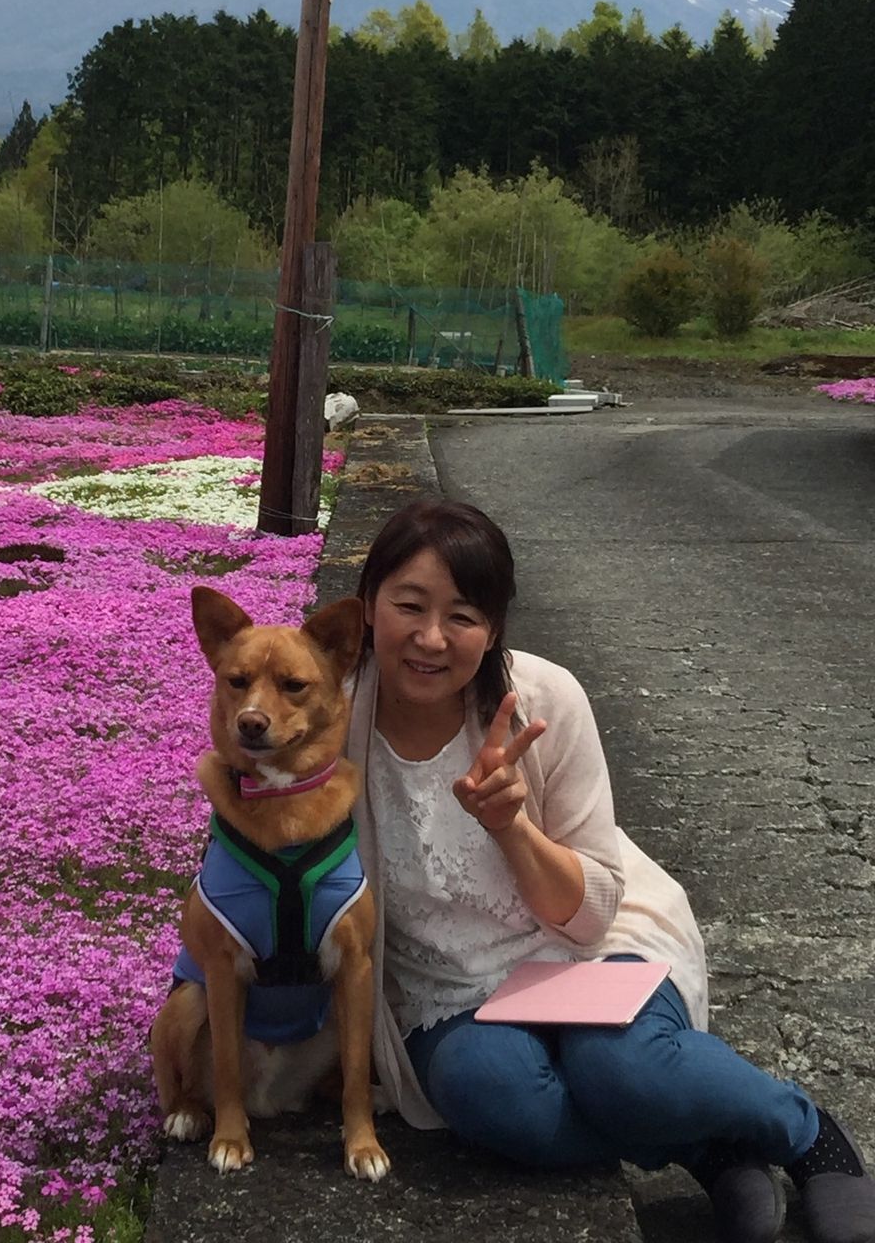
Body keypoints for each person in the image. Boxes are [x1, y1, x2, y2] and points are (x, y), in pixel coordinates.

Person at [348, 497, 875, 1243]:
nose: (431, 638)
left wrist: (510, 827)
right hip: (451, 985)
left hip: (585, 946)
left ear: (494, 628)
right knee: (492, 1097)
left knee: (627, 1074)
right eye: (409, 605)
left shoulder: (544, 701)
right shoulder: (333, 716)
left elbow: (590, 911)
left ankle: (812, 1138)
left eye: (463, 616)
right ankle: (705, 1146)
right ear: (368, 605)